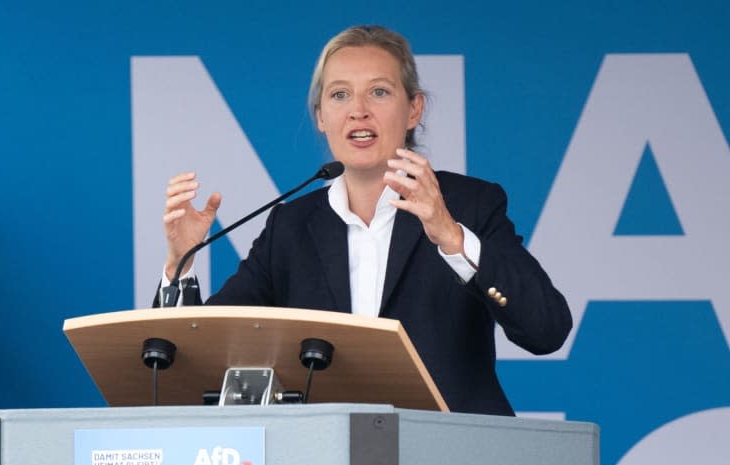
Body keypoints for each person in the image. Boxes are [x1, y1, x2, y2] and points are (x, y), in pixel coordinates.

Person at [155, 25, 572, 416]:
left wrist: (452, 238)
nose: (358, 111)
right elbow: (199, 363)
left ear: (414, 109)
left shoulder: (468, 205)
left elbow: (546, 330)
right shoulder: (292, 227)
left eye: (379, 92)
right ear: (321, 115)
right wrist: (181, 264)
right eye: (339, 95)